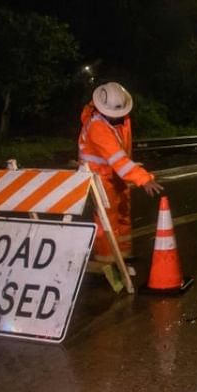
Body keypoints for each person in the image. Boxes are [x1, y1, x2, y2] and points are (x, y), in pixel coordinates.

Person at [78, 81, 164, 263]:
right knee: (107, 220)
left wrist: (131, 168)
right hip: (98, 177)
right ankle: (108, 261)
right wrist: (143, 178)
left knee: (123, 213)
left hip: (115, 174)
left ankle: (123, 254)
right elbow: (117, 159)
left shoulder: (121, 121)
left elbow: (121, 156)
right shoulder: (97, 127)